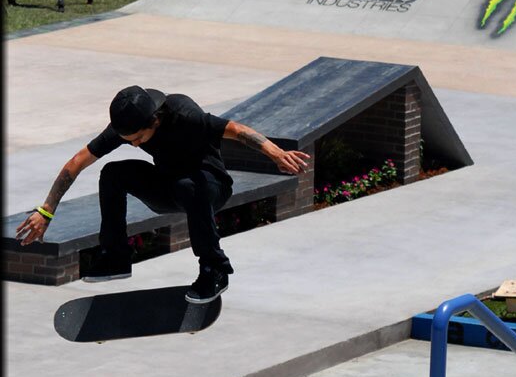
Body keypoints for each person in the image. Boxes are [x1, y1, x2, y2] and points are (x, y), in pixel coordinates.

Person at [16, 85, 310, 303]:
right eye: (128, 141)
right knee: (112, 174)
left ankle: (215, 269)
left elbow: (235, 129)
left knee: (189, 184)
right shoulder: (126, 126)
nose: (134, 145)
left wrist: (275, 153)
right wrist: (46, 212)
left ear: (154, 121)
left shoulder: (185, 114)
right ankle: (116, 257)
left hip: (210, 187)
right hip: (168, 187)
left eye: (139, 140)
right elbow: (77, 162)